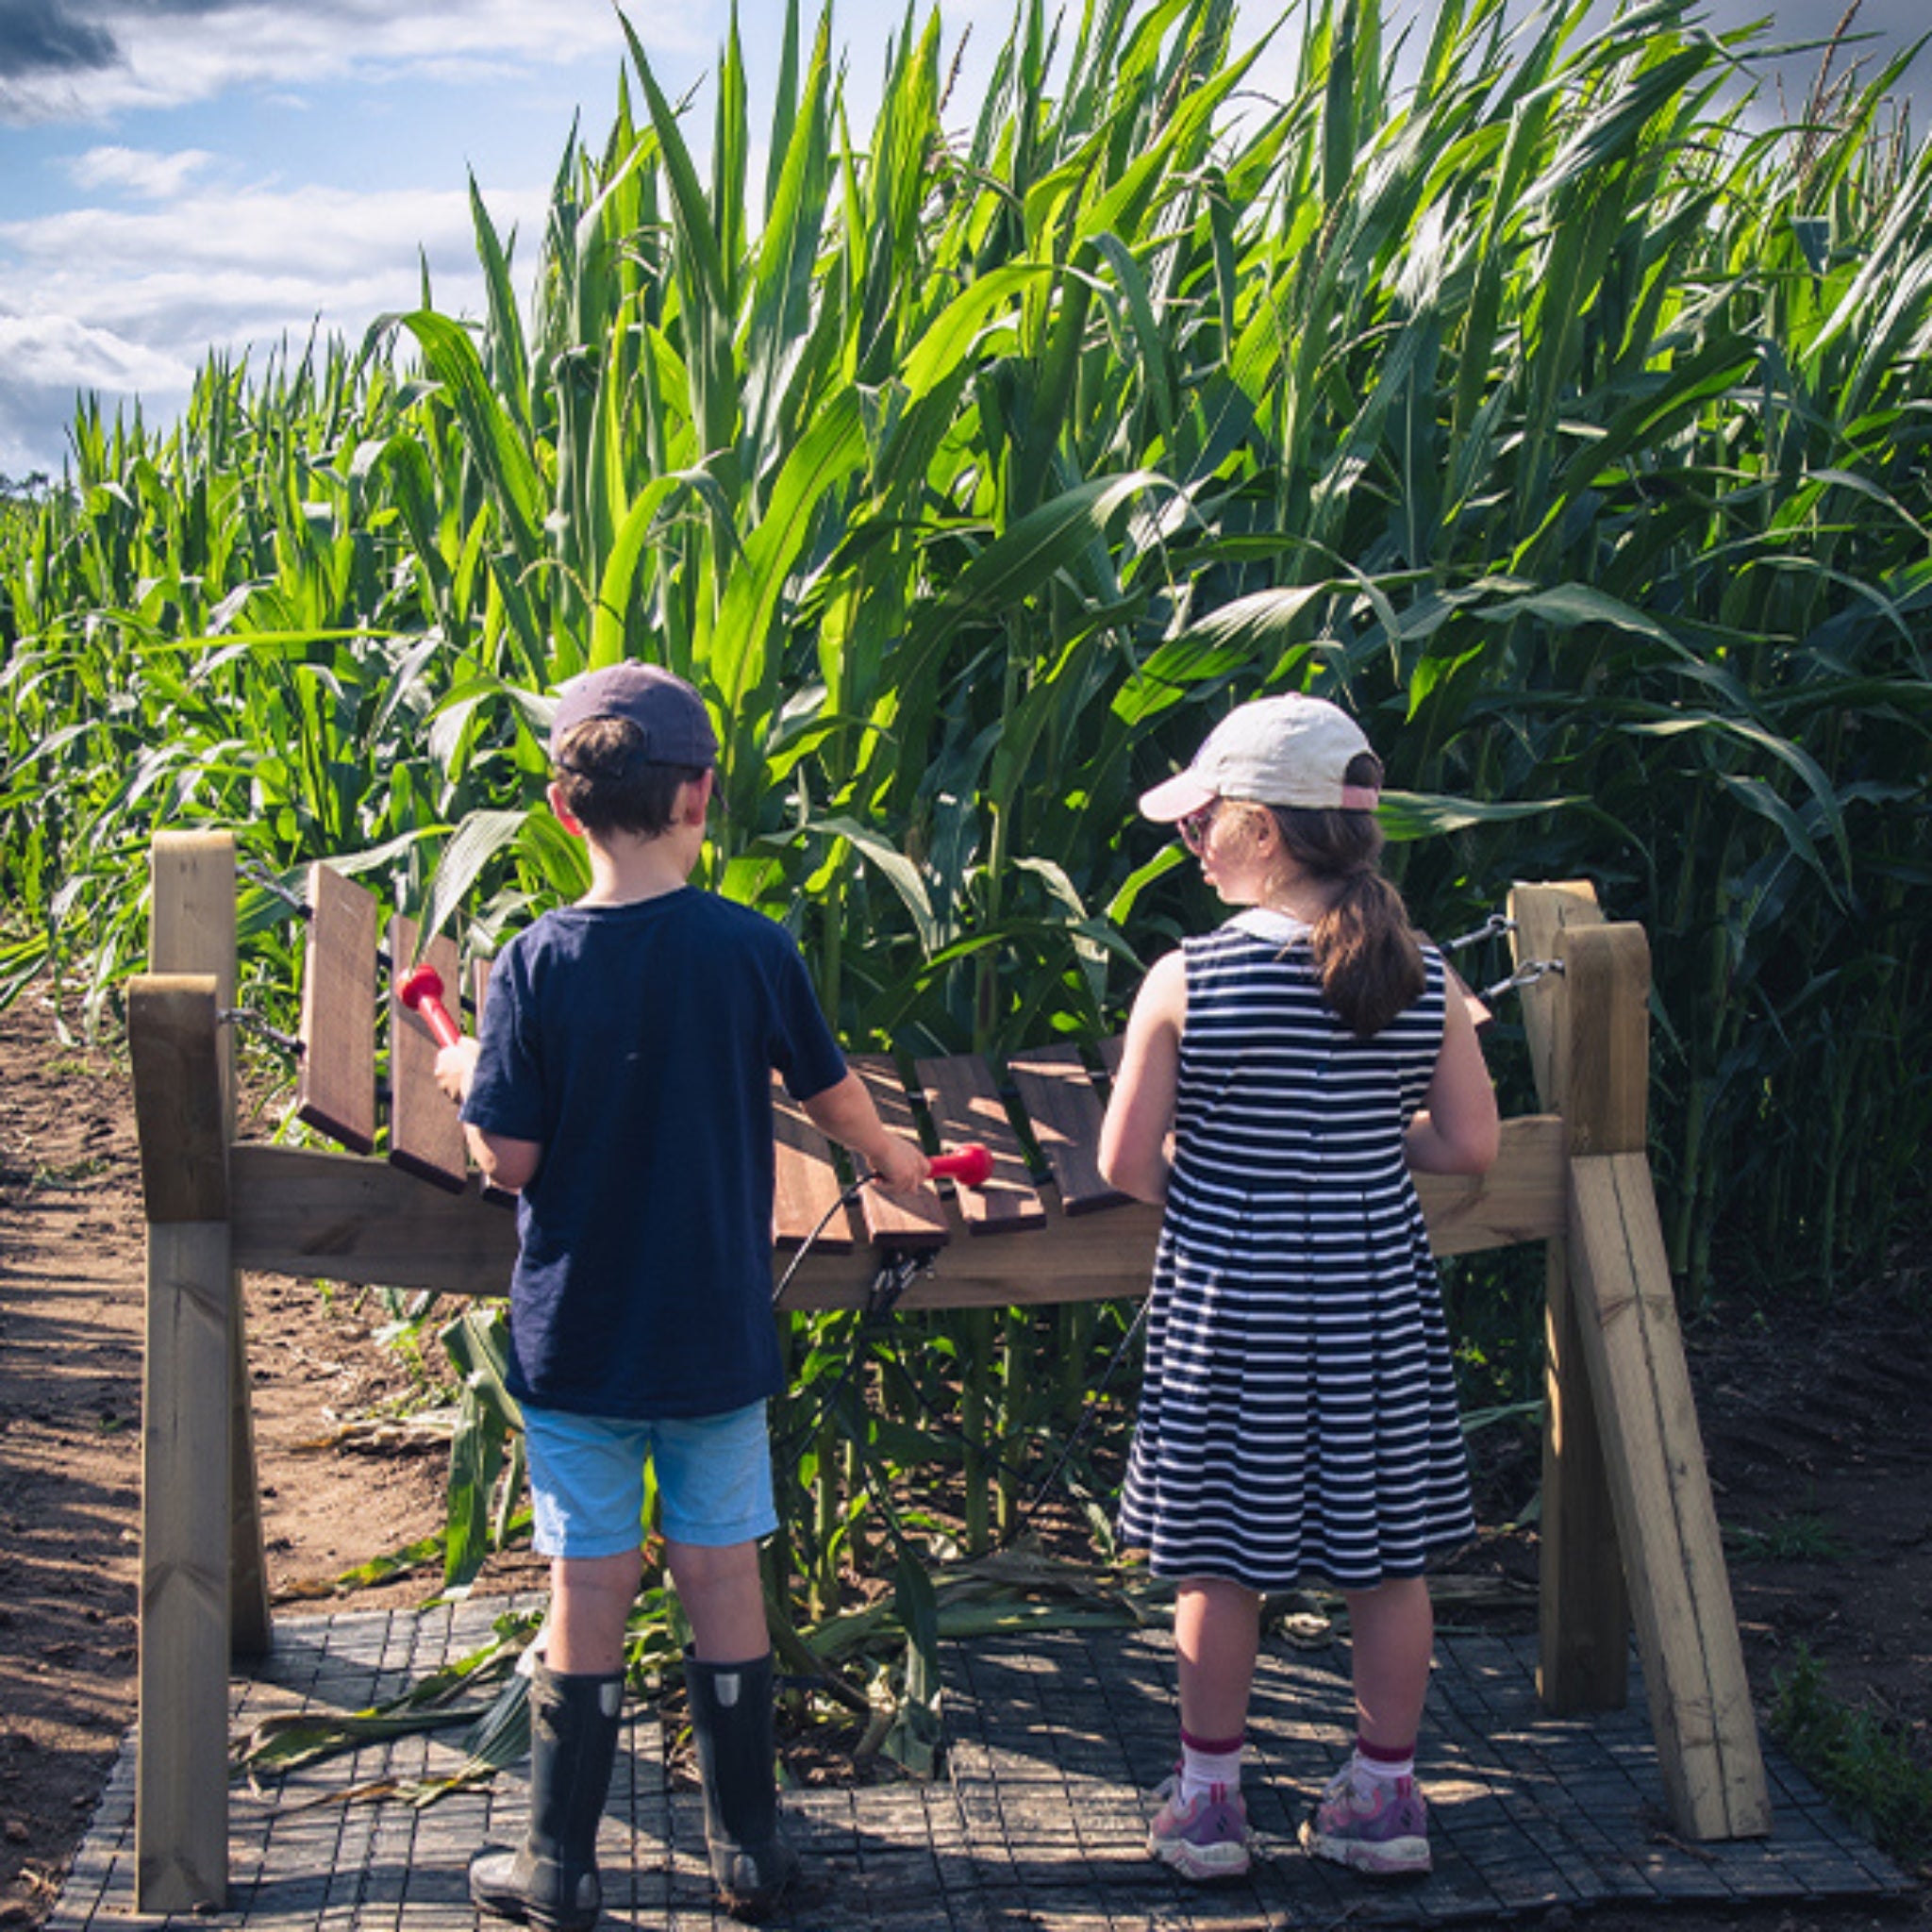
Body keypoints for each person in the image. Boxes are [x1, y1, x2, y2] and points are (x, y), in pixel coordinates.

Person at [435, 661, 929, 1931]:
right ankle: (751, 1858)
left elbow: (510, 1162)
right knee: (724, 1577)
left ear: (562, 807)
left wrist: (463, 1070)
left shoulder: (534, 962)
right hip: (713, 1335)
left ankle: (559, 1869)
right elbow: (831, 1093)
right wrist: (891, 1159)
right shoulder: (751, 948)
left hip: (580, 1340)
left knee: (583, 1589)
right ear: (701, 795)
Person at [1097, 692, 1499, 1885]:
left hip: (1233, 1305)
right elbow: (1468, 1144)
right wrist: (1365, 1156)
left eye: (1201, 822)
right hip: (1373, 1295)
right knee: (1387, 1554)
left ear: (1264, 832)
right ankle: (1383, 1797)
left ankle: (1210, 1802)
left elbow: (1124, 1162)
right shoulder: (1421, 973)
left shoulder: (1188, 977)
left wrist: (1232, 1195)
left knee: (1220, 1555)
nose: (1193, 842)